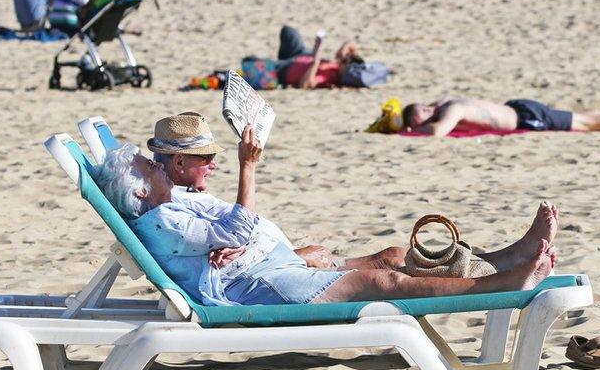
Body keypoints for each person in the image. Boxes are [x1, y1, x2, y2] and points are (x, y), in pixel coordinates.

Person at [94, 128, 557, 306]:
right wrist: (248, 166)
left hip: (269, 264)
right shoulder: (162, 221)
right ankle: (498, 285)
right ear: (138, 189)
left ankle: (502, 259)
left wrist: (258, 247)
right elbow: (236, 226)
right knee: (380, 284)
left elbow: (231, 234)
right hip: (255, 286)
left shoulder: (176, 203)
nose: (155, 166)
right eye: (147, 167)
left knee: (392, 256)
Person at [148, 111, 407, 270]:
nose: (213, 165)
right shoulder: (169, 206)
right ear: (179, 161)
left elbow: (221, 241)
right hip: (280, 267)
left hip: (285, 258)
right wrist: (247, 165)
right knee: (392, 261)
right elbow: (233, 239)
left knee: (394, 255)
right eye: (205, 158)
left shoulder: (181, 195)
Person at [402, 97, 600, 137]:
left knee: (588, 123)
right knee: (583, 117)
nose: (426, 118)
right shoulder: (447, 100)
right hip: (519, 108)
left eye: (422, 114)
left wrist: (414, 131)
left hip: (525, 117)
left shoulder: (451, 109)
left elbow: (437, 132)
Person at [271, 25, 363, 89]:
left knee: (259, 64)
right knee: (288, 31)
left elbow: (305, 84)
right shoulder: (339, 64)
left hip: (289, 68)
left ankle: (281, 63)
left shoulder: (329, 78)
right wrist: (343, 51)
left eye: (345, 61)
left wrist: (316, 61)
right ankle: (283, 59)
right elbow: (350, 44)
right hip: (303, 55)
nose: (343, 60)